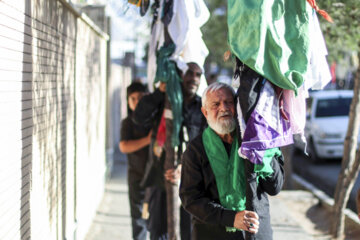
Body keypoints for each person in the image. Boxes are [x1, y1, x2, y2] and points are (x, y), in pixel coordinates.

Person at [179, 82, 285, 240]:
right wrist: (231, 218)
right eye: (216, 104)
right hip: (212, 234)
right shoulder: (195, 150)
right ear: (205, 112)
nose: (224, 108)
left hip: (256, 233)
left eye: (229, 102)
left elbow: (275, 187)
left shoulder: (256, 139)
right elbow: (191, 199)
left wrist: (262, 148)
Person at [133, 62, 207, 240]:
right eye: (189, 73)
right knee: (159, 233)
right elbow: (139, 117)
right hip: (161, 180)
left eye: (198, 75)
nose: (194, 78)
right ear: (179, 76)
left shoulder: (202, 107)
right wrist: (160, 91)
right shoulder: (164, 101)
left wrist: (183, 168)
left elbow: (206, 147)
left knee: (189, 232)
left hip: (191, 184)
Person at [119, 82, 152, 240]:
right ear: (128, 101)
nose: (137, 101)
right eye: (133, 98)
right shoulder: (128, 122)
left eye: (140, 97)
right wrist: (147, 140)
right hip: (136, 177)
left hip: (155, 179)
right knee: (138, 221)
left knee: (156, 220)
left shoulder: (154, 119)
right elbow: (124, 146)